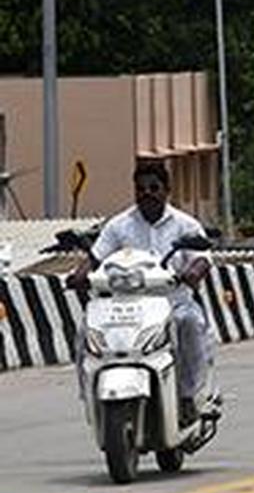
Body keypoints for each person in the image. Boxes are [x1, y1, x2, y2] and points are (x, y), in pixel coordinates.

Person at [68, 160, 213, 424]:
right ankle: (89, 395)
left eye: (154, 188)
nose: (147, 193)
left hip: (173, 303)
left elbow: (202, 258)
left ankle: (188, 396)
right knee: (85, 330)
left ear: (167, 190)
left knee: (190, 323)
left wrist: (193, 272)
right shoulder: (119, 225)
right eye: (141, 189)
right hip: (124, 306)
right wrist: (79, 275)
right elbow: (96, 257)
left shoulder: (185, 225)